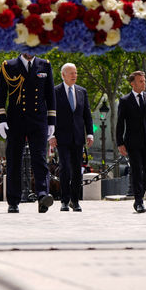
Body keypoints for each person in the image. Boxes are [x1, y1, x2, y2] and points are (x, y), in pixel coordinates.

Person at [0, 53, 56, 213]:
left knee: (40, 159)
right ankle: (13, 201)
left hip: (39, 120)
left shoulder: (45, 65)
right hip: (16, 120)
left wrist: (52, 121)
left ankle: (43, 197)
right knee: (14, 160)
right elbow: (0, 95)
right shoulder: (8, 66)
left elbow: (50, 95)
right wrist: (1, 119)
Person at [49, 63, 94, 212]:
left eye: (75, 73)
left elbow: (86, 114)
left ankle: (75, 201)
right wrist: (51, 135)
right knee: (65, 169)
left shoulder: (82, 91)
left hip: (78, 137)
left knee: (76, 171)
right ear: (63, 75)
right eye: (71, 73)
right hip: (61, 137)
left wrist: (89, 133)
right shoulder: (54, 92)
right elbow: (49, 115)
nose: (74, 75)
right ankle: (64, 200)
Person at [116, 71, 146, 214]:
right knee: (136, 170)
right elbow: (120, 124)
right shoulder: (124, 101)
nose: (144, 83)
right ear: (133, 83)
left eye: (144, 80)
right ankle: (139, 201)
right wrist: (120, 143)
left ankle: (139, 196)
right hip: (132, 142)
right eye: (141, 81)